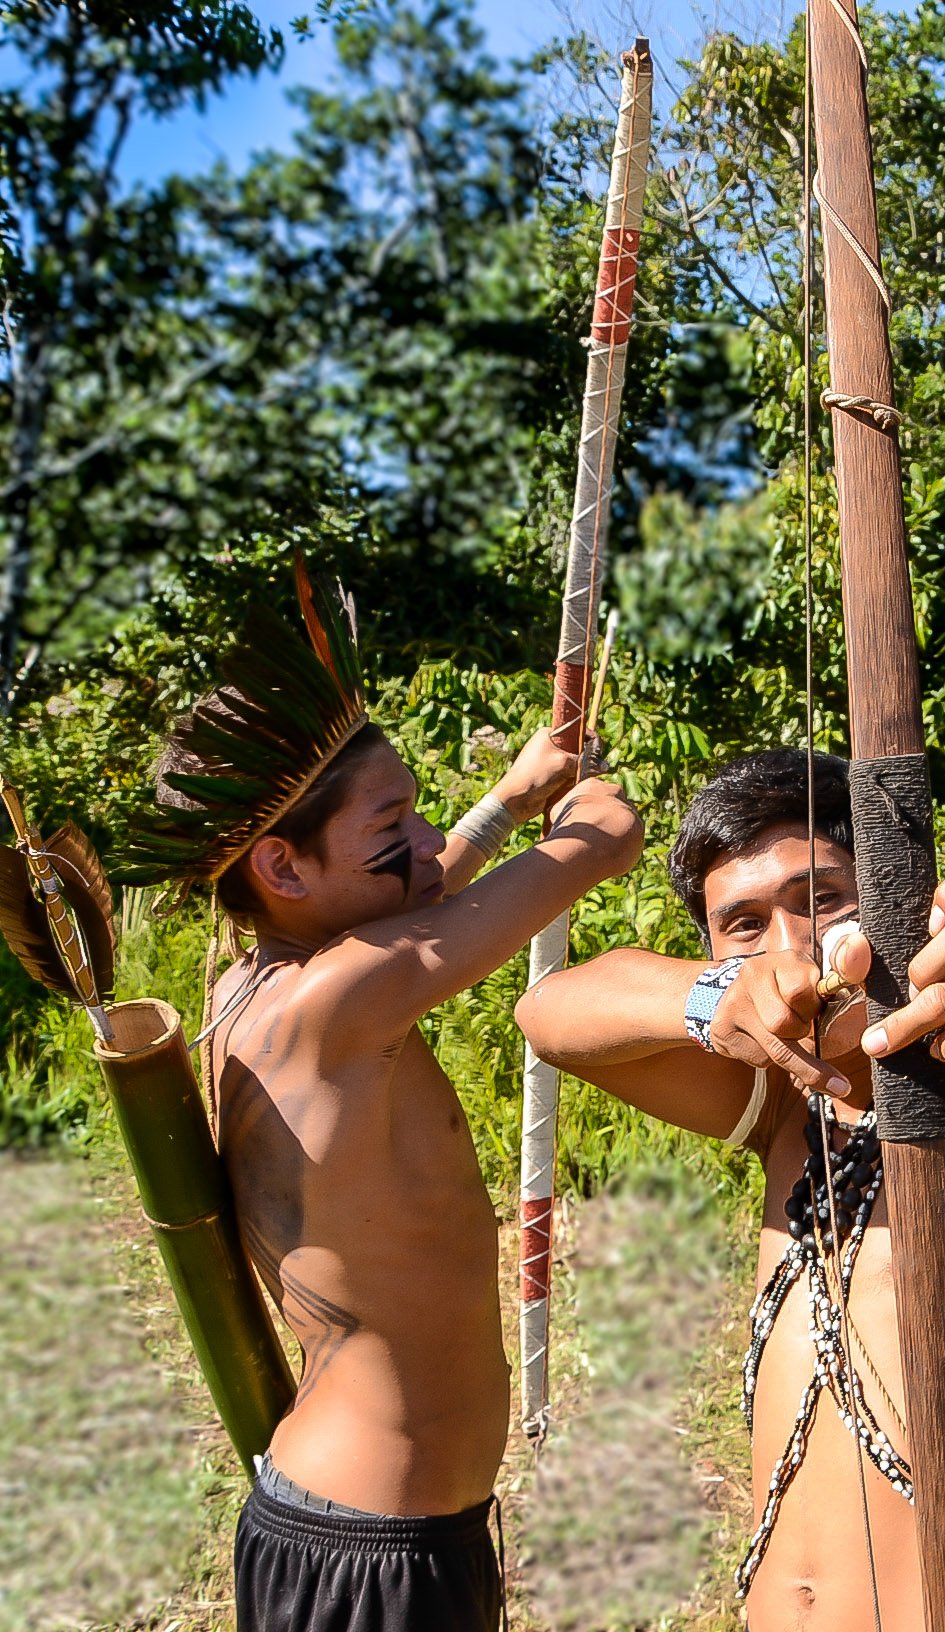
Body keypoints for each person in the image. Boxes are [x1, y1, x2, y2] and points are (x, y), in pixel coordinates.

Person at [124, 565, 642, 1631]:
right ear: (283, 864)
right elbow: (603, 846)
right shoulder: (347, 998)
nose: (421, 840)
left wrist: (504, 799)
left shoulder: (265, 984)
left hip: (373, 1525)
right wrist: (587, 806)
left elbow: (426, 885)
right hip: (372, 1547)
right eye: (392, 819)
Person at [515, 747, 945, 1632]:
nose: (793, 946)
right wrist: (717, 999)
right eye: (743, 923)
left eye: (823, 898)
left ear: (901, 896)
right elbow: (553, 1014)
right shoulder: (785, 1106)